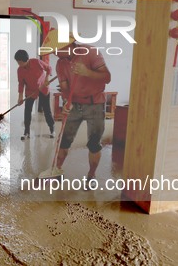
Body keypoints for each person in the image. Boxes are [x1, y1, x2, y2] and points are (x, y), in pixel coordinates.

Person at [39, 29, 111, 189]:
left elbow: (107, 77)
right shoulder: (61, 63)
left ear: (68, 44)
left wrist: (87, 72)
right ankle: (56, 170)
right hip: (74, 105)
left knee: (93, 143)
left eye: (57, 49)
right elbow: (65, 88)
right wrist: (66, 101)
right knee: (63, 141)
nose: (55, 53)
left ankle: (91, 175)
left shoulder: (91, 52)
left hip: (95, 104)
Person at [14, 49, 55, 141]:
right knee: (27, 110)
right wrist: (20, 97)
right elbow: (21, 84)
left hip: (43, 88)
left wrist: (46, 79)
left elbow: (49, 68)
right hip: (30, 91)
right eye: (17, 62)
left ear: (26, 60)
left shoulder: (37, 62)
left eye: (20, 62)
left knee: (46, 110)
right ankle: (26, 132)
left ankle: (52, 129)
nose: (19, 64)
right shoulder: (20, 70)